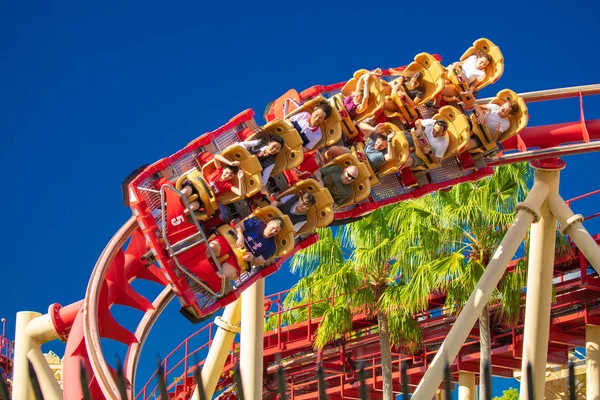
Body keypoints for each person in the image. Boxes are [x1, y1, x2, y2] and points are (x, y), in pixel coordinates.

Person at [324, 123, 397, 173]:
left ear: (386, 146)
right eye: (377, 143)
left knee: (338, 170)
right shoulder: (375, 138)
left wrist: (389, 141)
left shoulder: (384, 153)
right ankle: (324, 166)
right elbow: (360, 124)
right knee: (333, 150)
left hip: (362, 169)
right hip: (355, 153)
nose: (377, 146)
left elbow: (390, 157)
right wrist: (373, 128)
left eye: (381, 146)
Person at [203, 153, 246, 222]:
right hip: (201, 189)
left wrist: (240, 179)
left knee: (226, 213)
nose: (227, 176)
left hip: (209, 199)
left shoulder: (228, 185)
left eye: (230, 175)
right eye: (226, 173)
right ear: (223, 169)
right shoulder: (218, 171)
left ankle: (214, 222)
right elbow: (216, 156)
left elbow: (241, 193)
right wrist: (230, 163)